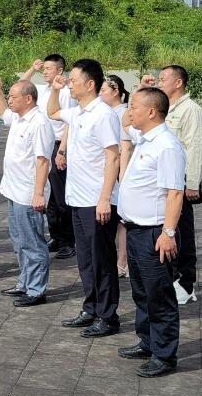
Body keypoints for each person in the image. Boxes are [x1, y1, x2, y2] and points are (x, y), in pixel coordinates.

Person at [47, 58, 121, 338]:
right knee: (86, 260)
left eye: (73, 80)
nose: (70, 83)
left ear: (90, 84)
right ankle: (90, 308)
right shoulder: (78, 112)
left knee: (102, 260)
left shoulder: (103, 114)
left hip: (96, 200)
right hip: (78, 199)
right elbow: (52, 112)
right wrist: (55, 89)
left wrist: (105, 198)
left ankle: (108, 316)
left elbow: (113, 157)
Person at [116, 87, 186, 378]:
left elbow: (175, 193)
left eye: (134, 106)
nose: (129, 111)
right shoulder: (145, 138)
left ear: (152, 112)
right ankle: (147, 341)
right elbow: (124, 122)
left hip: (154, 232)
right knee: (142, 292)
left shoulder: (166, 146)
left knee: (159, 296)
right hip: (135, 231)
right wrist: (137, 96)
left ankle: (164, 355)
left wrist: (168, 233)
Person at [142, 65, 202, 305]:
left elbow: (196, 147)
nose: (160, 82)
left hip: (179, 185)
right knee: (165, 230)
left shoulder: (191, 110)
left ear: (178, 82)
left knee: (182, 233)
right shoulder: (163, 108)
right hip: (160, 183)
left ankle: (186, 283)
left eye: (163, 79)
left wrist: (192, 183)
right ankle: (170, 279)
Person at [0, 77, 54, 306]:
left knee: (33, 243)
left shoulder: (39, 123)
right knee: (19, 242)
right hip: (13, 190)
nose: (10, 100)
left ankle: (36, 290)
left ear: (28, 99)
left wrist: (38, 194)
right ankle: (24, 283)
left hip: (28, 194)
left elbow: (42, 160)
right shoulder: (18, 117)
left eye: (13, 97)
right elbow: (2, 112)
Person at [22, 55, 77, 258]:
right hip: (43, 145)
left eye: (48, 69)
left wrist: (61, 150)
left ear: (59, 71)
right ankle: (56, 236)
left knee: (60, 196)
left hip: (57, 145)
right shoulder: (43, 89)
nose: (44, 72)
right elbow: (21, 85)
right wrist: (32, 68)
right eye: (43, 69)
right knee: (49, 196)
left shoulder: (66, 93)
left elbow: (70, 123)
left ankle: (68, 241)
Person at [100, 74, 130, 278]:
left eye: (103, 90)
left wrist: (122, 176)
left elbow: (125, 148)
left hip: (119, 170)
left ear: (116, 91)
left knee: (121, 221)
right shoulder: (105, 112)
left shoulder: (123, 113)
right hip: (107, 170)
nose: (100, 94)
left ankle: (122, 261)